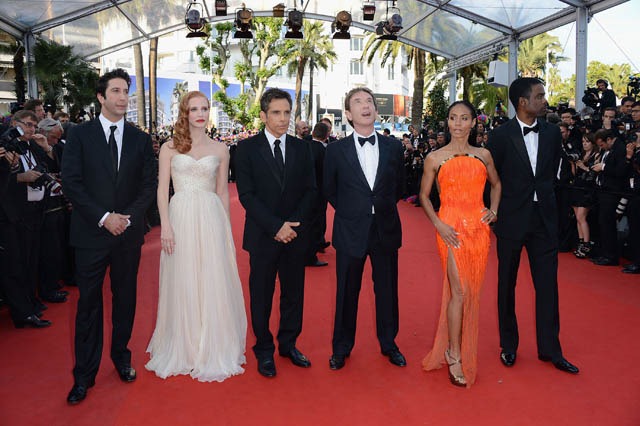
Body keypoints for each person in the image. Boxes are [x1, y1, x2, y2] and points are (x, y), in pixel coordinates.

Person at [62, 68, 157, 404]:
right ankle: (84, 375)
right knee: (88, 304)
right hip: (90, 233)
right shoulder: (79, 135)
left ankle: (121, 356)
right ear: (101, 97)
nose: (122, 97)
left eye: (125, 91)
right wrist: (104, 218)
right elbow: (72, 182)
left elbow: (149, 185)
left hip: (127, 235)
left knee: (125, 299)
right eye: (115, 91)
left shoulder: (140, 139)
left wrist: (126, 218)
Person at [145, 91, 247, 382]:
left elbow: (222, 192)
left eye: (204, 108)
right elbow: (162, 189)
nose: (201, 113)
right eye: (194, 109)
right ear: (184, 113)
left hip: (211, 216)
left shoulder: (221, 149)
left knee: (211, 277)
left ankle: (211, 344)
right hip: (180, 215)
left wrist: (226, 228)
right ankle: (186, 346)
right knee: (184, 276)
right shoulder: (169, 148)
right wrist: (165, 225)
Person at [487, 77, 579, 375]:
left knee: (548, 287)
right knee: (506, 285)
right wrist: (494, 213)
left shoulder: (552, 133)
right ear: (523, 102)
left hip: (544, 221)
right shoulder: (500, 136)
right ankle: (508, 345)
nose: (545, 100)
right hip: (511, 220)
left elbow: (550, 173)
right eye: (539, 96)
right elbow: (493, 180)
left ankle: (551, 349)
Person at [235, 88, 316, 378]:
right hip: (263, 236)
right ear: (263, 115)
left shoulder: (303, 148)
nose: (283, 119)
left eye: (286, 113)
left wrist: (291, 226)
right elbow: (247, 195)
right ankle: (264, 349)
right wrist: (275, 226)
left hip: (295, 235)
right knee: (262, 295)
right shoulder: (245, 150)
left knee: (294, 294)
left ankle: (289, 344)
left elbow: (311, 191)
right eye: (276, 113)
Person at [324, 87, 406, 371]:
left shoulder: (394, 147)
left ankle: (389, 343)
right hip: (351, 229)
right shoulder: (335, 151)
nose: (365, 105)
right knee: (347, 292)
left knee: (387, 291)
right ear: (348, 114)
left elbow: (400, 186)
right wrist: (354, 209)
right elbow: (330, 190)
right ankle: (341, 347)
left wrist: (379, 206)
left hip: (385, 228)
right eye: (357, 102)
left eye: (369, 101)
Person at [420, 101, 501, 387]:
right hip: (450, 229)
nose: (457, 123)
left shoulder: (484, 155)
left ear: (473, 123)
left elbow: (497, 184)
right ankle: (454, 353)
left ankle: (458, 346)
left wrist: (494, 210)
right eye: (453, 118)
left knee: (472, 292)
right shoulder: (435, 157)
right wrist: (439, 225)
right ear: (448, 122)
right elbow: (424, 196)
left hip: (479, 230)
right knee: (460, 291)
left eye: (464, 118)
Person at [571, 133, 600, 259]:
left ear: (593, 143)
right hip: (577, 187)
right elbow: (574, 174)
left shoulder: (596, 155)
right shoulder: (581, 155)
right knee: (577, 218)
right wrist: (573, 164)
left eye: (587, 141)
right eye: (583, 141)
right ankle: (581, 242)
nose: (584, 144)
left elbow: (594, 173)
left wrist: (583, 167)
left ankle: (587, 244)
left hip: (588, 190)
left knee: (581, 217)